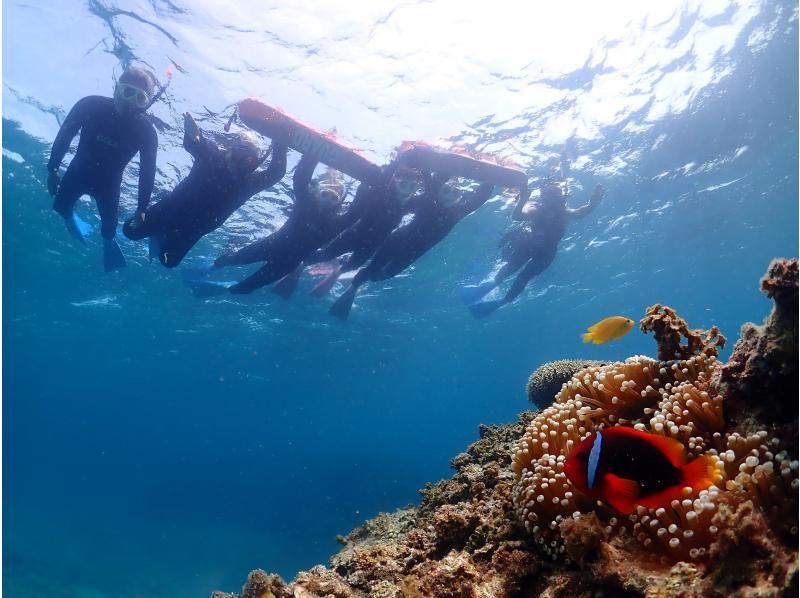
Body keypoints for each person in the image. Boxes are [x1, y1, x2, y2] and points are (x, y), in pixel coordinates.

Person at [122, 112, 288, 268]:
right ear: (230, 150)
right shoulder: (213, 155)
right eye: (239, 157)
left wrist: (281, 140)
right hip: (170, 209)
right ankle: (158, 224)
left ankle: (160, 235)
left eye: (249, 162)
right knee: (129, 231)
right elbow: (194, 143)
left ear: (254, 164)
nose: (240, 165)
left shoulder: (249, 182)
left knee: (168, 262)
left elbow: (275, 173)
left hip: (194, 228)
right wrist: (193, 134)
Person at [329, 174, 494, 320]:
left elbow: (478, 200)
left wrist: (490, 181)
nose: (449, 196)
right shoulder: (430, 199)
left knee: (383, 275)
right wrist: (444, 169)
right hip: (397, 240)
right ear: (439, 191)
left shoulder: (458, 211)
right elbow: (433, 181)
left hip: (413, 252)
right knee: (373, 268)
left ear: (460, 197)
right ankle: (353, 287)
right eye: (446, 191)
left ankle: (355, 281)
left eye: (455, 193)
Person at [189, 153, 353, 296]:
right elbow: (301, 179)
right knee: (230, 259)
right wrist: (312, 155)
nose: (328, 199)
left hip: (286, 264)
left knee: (247, 287)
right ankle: (209, 268)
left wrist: (369, 190)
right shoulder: (305, 204)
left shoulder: (336, 224)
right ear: (316, 192)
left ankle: (224, 288)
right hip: (271, 246)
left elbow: (357, 211)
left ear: (340, 202)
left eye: (334, 197)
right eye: (325, 193)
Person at [47, 66, 160, 272]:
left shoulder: (146, 132)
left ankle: (109, 246)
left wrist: (142, 207)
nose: (129, 102)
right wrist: (52, 169)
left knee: (109, 229)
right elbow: (65, 135)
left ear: (147, 103)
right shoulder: (89, 106)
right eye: (127, 92)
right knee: (60, 208)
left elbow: (147, 170)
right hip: (78, 172)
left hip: (109, 184)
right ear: (116, 89)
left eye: (140, 98)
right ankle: (72, 220)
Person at [275, 161, 423, 299]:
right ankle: (298, 269)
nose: (407, 192)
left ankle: (334, 275)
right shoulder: (383, 194)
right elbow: (378, 183)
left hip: (372, 245)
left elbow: (430, 199)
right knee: (325, 254)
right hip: (355, 234)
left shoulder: (411, 203)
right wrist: (395, 163)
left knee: (354, 265)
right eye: (403, 185)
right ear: (394, 183)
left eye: (412, 188)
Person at [460, 178, 605, 318]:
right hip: (529, 246)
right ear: (544, 196)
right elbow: (517, 217)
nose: (554, 199)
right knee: (509, 270)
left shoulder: (564, 212)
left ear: (562, 196)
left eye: (556, 194)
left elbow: (581, 212)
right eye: (550, 195)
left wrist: (593, 203)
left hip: (546, 254)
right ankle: (489, 287)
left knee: (524, 277)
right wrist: (522, 200)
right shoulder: (536, 208)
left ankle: (502, 301)